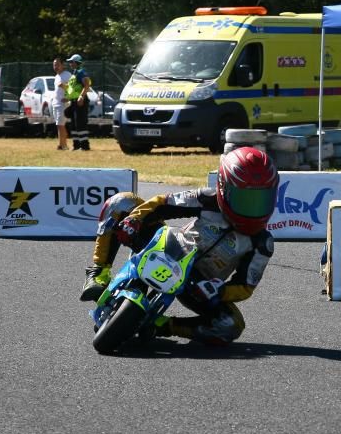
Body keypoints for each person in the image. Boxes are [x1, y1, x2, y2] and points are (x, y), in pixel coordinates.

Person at [79, 147, 280, 346]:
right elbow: (163, 203)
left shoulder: (262, 243)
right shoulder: (207, 199)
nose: (252, 210)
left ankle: (162, 326)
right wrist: (135, 220)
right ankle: (98, 273)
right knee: (121, 202)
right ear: (223, 187)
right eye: (245, 200)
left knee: (232, 324)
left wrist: (219, 291)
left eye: (260, 201)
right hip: (170, 247)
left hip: (198, 285)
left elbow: (245, 286)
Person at [65, 54, 93, 151]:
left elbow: (86, 85)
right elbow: (72, 88)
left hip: (80, 101)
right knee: (74, 124)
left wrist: (81, 96)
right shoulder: (74, 73)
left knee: (80, 123)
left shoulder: (81, 72)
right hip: (73, 102)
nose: (70, 64)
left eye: (71, 62)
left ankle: (85, 146)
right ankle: (76, 145)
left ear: (77, 63)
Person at [52, 57, 72, 150]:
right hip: (55, 103)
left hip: (63, 104)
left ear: (63, 65)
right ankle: (61, 144)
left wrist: (68, 98)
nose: (55, 66)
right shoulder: (57, 77)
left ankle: (64, 145)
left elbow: (72, 88)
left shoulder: (67, 75)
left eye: (57, 64)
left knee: (61, 124)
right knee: (58, 125)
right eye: (54, 65)